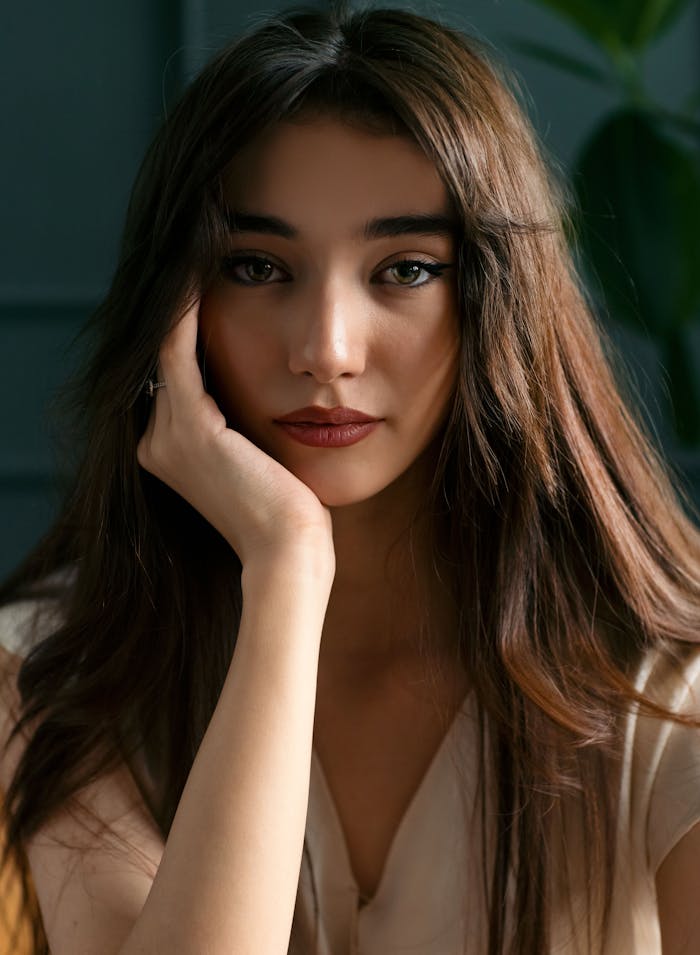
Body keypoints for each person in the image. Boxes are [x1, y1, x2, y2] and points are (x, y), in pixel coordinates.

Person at [1, 3, 700, 953]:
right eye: (256, 266)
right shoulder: (53, 669)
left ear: (498, 299)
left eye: (405, 269)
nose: (325, 350)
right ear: (176, 306)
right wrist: (286, 570)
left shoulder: (669, 680)